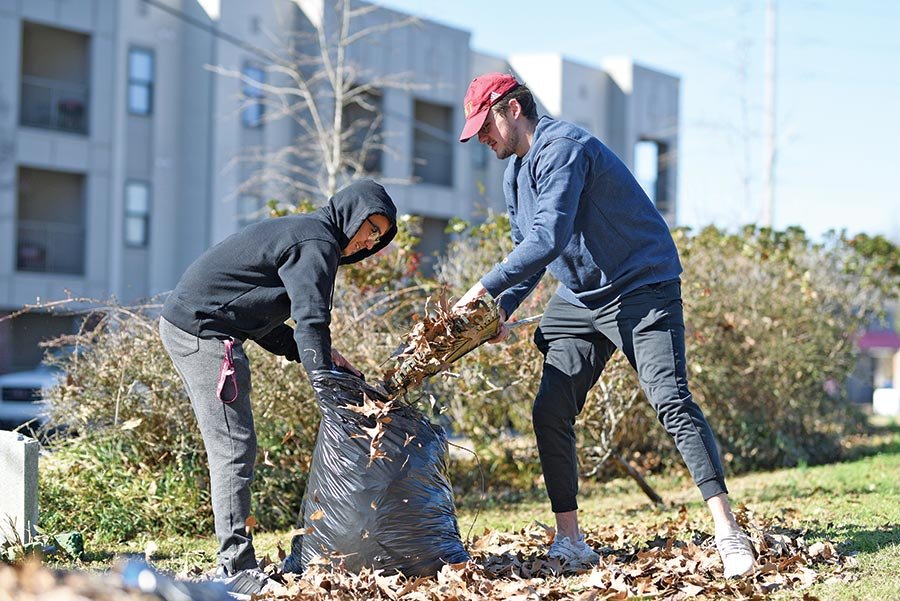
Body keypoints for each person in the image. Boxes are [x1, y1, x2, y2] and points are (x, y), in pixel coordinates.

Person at [454, 73, 756, 577]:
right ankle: (570, 540)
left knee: (670, 399)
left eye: (484, 125)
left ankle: (729, 530)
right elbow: (530, 254)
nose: (481, 138)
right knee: (550, 407)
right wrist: (500, 309)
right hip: (582, 296)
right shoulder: (515, 175)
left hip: (641, 283)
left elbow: (548, 235)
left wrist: (482, 287)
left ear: (510, 109)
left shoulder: (564, 148)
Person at [159, 180, 397, 594]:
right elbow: (311, 321)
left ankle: (236, 562)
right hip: (203, 332)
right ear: (350, 215)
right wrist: (326, 387)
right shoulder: (317, 243)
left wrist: (322, 358)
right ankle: (235, 568)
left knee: (235, 445)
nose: (368, 241)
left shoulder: (309, 236)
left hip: (204, 326)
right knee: (234, 447)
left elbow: (258, 317)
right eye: (368, 227)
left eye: (379, 235)